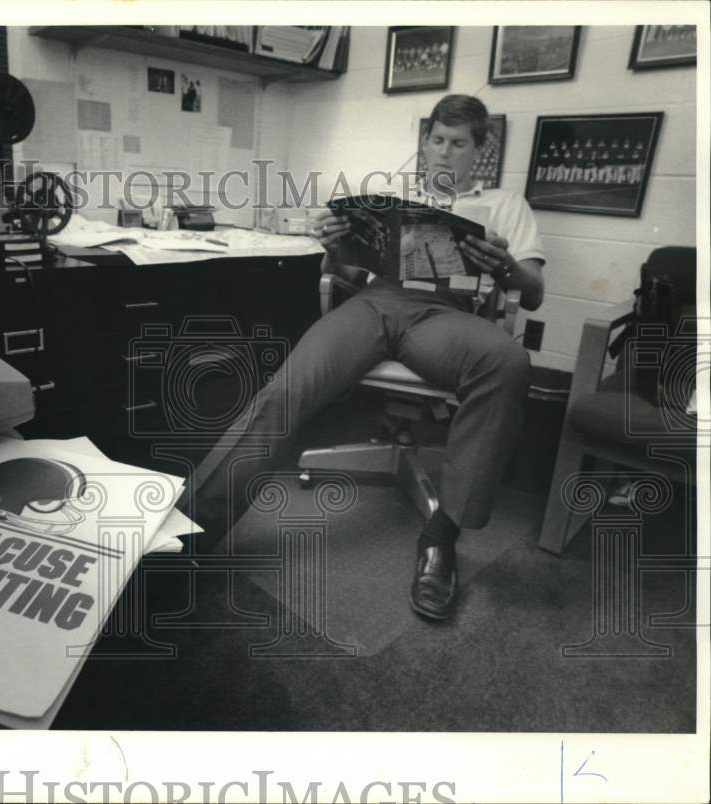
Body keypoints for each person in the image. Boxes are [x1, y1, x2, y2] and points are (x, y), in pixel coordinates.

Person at [184, 94, 545, 621]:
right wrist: (334, 247)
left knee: (509, 362)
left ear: (479, 151)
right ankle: (190, 530)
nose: (444, 153)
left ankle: (442, 536)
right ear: (425, 143)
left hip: (446, 315)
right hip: (378, 302)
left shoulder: (507, 204)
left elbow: (533, 293)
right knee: (286, 390)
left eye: (458, 144)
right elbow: (349, 275)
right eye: (437, 141)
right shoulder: (396, 195)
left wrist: (507, 266)